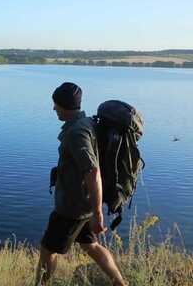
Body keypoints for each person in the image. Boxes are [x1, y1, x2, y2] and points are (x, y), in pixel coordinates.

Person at [35, 82, 127, 286]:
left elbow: (93, 171)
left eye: (56, 104)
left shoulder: (77, 133)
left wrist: (97, 213)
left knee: (47, 250)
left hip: (72, 208)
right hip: (83, 203)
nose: (54, 109)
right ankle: (120, 283)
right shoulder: (87, 122)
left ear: (64, 105)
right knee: (91, 246)